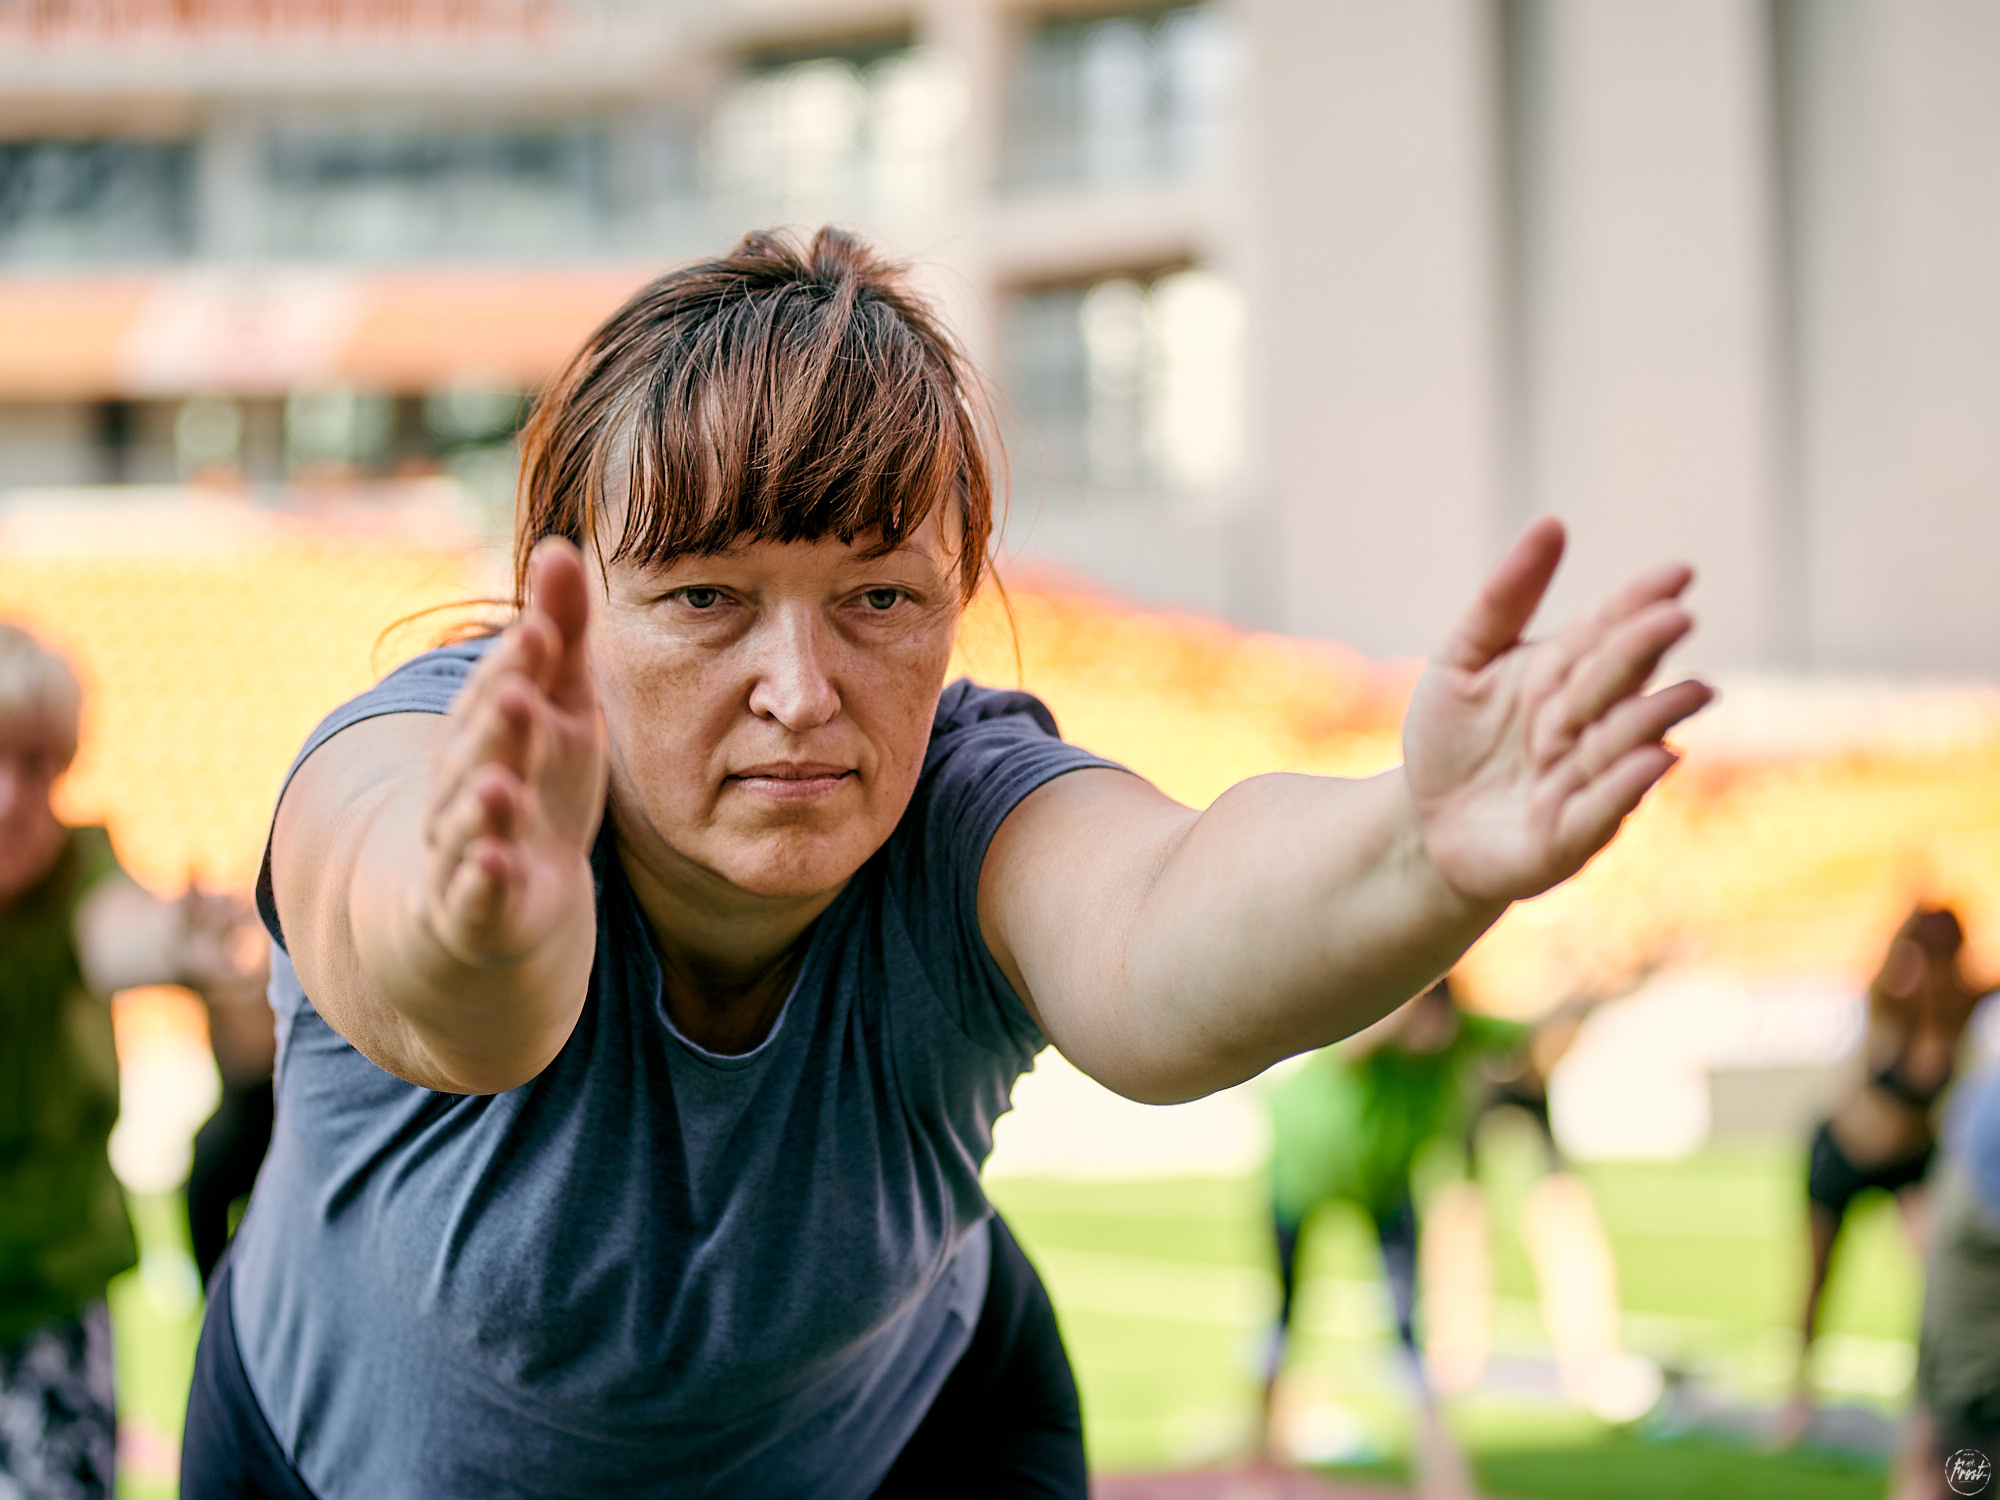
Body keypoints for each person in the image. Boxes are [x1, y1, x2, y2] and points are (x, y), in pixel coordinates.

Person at [178, 227, 1710, 1499]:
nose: (802, 688)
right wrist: (478, 915)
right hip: (320, 1457)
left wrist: (1411, 851)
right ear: (555, 601)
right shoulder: (426, 759)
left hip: (907, 1445)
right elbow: (439, 984)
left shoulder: (967, 801)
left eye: (880, 600)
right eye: (707, 597)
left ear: (962, 598)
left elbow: (1159, 939)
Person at [0, 621, 259, 1500]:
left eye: (35, 765)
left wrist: (182, 942)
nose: (9, 797)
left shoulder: (76, 872)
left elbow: (119, 932)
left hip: (47, 1312)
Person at [1262, 979, 1523, 1494]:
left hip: (1385, 1186)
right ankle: (1259, 1448)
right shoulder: (1371, 1031)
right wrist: (1408, 997)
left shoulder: (1463, 1035)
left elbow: (1535, 1024)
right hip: (1302, 1175)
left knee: (1407, 1330)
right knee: (1287, 1309)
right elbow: (1355, 1049)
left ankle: (1442, 1471)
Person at [1787, 905, 1982, 1442]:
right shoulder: (1889, 1001)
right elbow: (1881, 972)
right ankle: (1798, 1396)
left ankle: (1932, 1396)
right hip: (1844, 1153)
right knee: (1819, 1279)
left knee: (1939, 1276)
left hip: (1909, 1165)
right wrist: (1909, 918)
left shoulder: (1962, 1008)